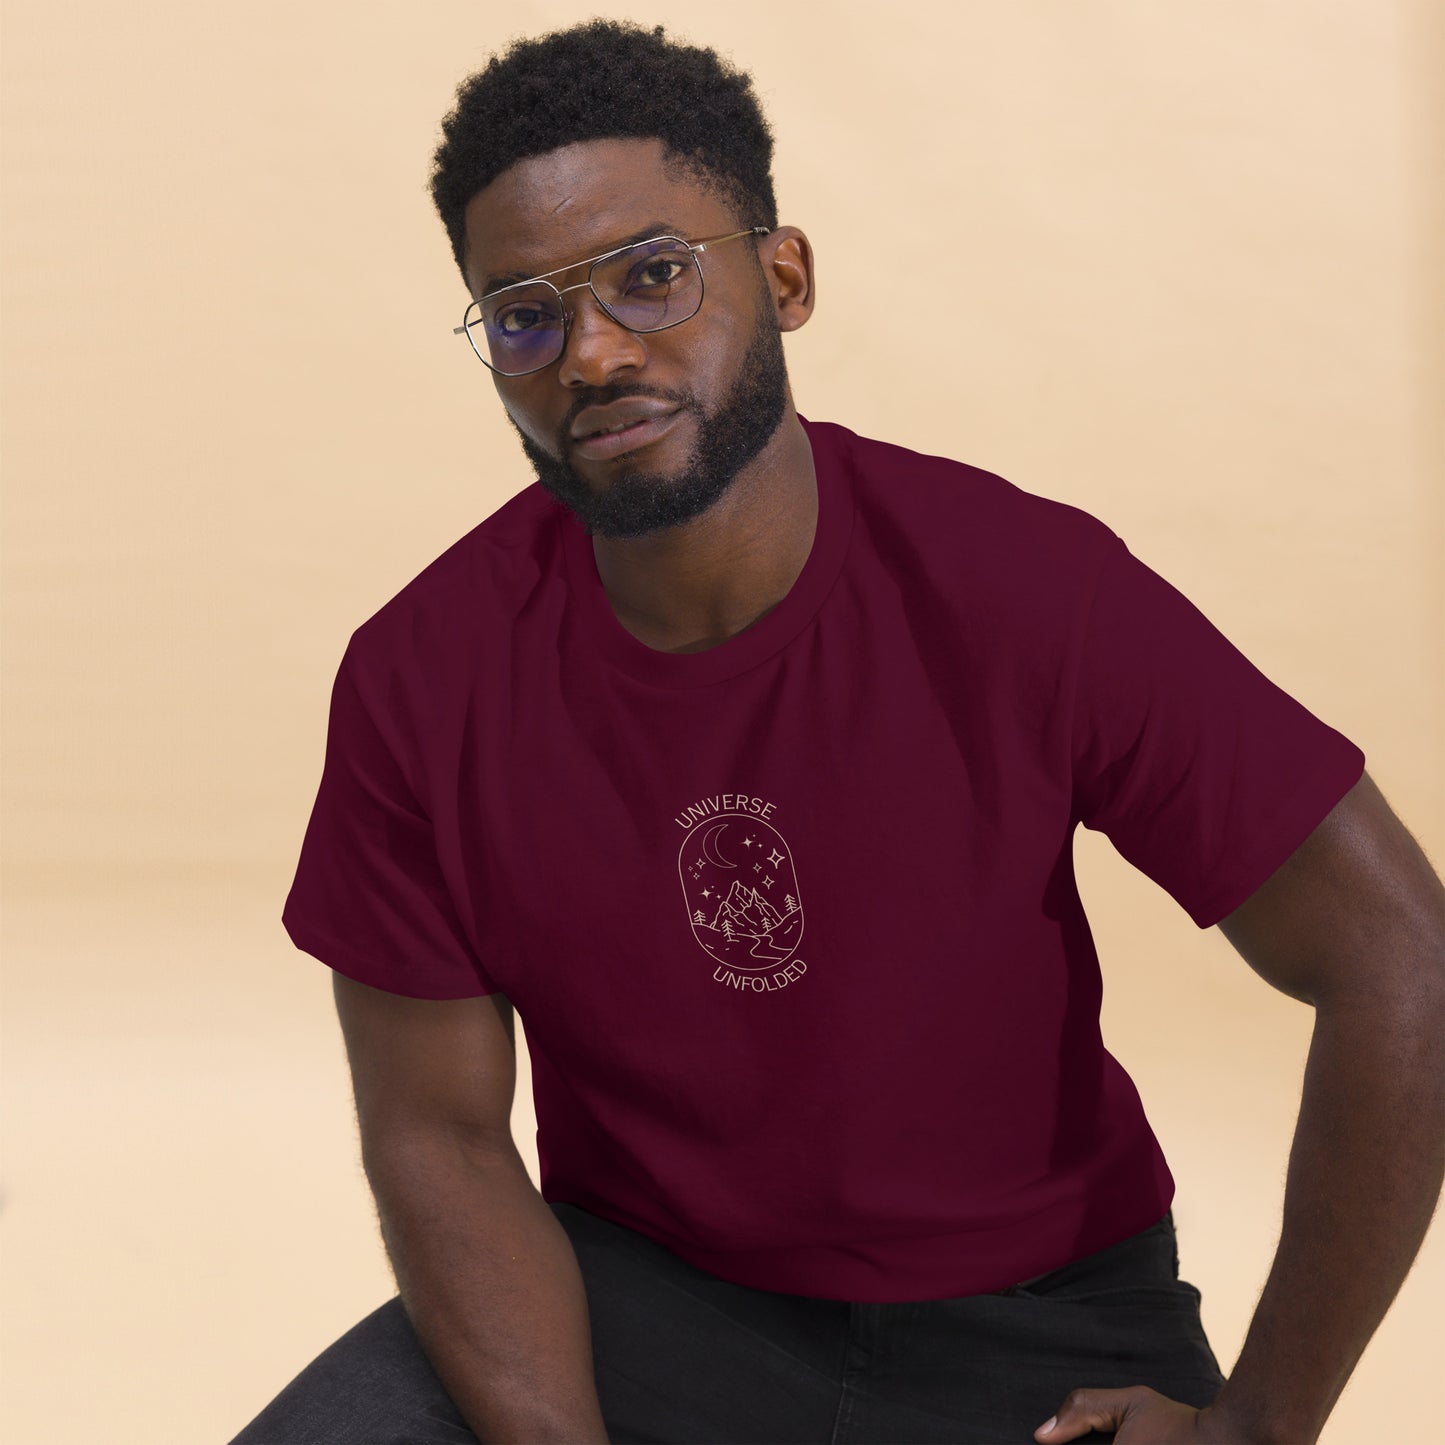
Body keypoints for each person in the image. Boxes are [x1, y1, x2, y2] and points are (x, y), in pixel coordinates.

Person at [231, 20, 1445, 1445]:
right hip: (641, 1302)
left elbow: (1398, 958)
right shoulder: (418, 676)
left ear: (783, 276)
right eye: (523, 316)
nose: (594, 351)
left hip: (1035, 1326)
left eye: (652, 275)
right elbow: (435, 1129)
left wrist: (1259, 1424)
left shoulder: (1018, 587)